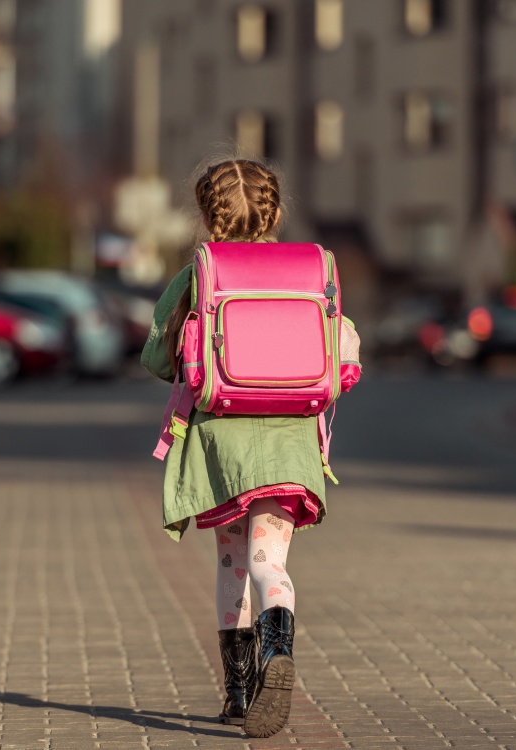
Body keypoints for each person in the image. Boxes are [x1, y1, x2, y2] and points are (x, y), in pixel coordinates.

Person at [141, 158, 360, 738]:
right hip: (290, 443)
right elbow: (343, 358)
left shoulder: (200, 274)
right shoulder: (313, 271)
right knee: (271, 563)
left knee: (232, 563)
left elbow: (159, 356)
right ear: (276, 213)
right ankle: (279, 650)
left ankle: (238, 692)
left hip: (222, 442)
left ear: (208, 217)